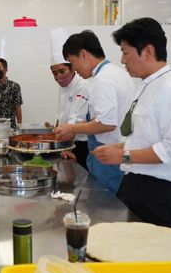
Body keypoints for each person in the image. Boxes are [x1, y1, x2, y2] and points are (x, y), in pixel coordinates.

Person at [92, 17, 171, 234]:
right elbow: (145, 137)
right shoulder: (147, 85)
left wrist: (124, 156)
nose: (123, 60)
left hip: (163, 198)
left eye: (126, 52)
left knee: (161, 265)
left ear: (148, 51)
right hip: (138, 187)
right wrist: (120, 148)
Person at [54, 30, 135, 193]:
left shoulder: (102, 79)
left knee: (106, 208)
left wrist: (73, 129)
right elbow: (111, 117)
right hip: (117, 151)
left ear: (83, 54)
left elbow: (107, 123)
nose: (74, 69)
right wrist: (85, 124)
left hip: (109, 156)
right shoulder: (116, 72)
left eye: (72, 61)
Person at [50, 61, 90, 169]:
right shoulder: (63, 86)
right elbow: (60, 116)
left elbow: (76, 120)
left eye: (62, 71)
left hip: (82, 146)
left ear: (72, 69)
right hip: (67, 144)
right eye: (54, 73)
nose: (58, 76)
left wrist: (57, 146)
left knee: (83, 182)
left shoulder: (83, 86)